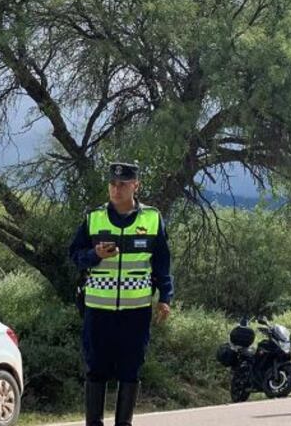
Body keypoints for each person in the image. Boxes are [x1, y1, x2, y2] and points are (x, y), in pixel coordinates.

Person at [68, 162, 173, 426]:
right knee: (96, 369)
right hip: (98, 310)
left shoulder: (151, 218)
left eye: (123, 184)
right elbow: (74, 255)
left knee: (130, 369)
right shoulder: (94, 217)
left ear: (135, 185)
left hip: (136, 312)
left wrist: (165, 297)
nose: (116, 189)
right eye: (113, 184)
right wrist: (94, 255)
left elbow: (162, 262)